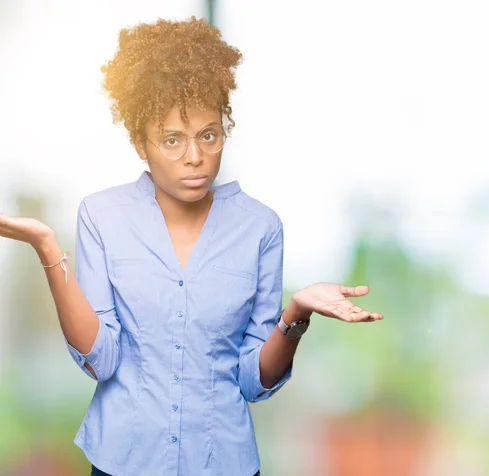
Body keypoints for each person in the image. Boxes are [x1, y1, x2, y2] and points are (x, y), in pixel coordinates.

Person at [0, 16, 383, 476]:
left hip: (224, 462)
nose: (195, 157)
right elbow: (101, 360)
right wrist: (46, 247)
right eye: (171, 140)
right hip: (121, 461)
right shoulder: (102, 216)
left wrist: (294, 314)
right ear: (140, 142)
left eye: (208, 135)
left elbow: (253, 381)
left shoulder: (260, 228)